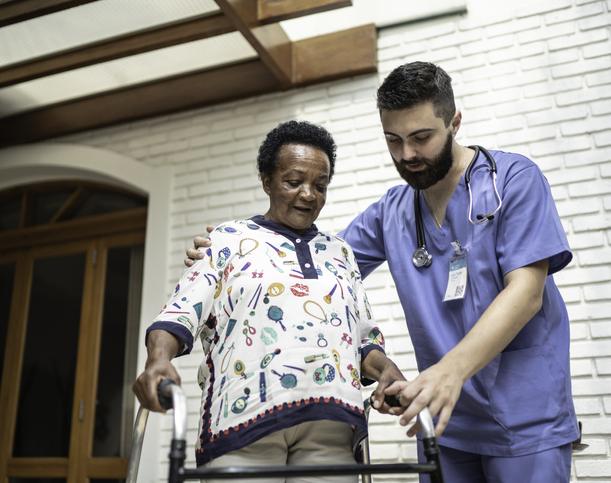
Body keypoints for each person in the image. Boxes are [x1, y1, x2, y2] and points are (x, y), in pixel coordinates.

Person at [186, 62, 579, 482]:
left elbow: (526, 292)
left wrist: (450, 372)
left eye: (421, 137)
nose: (407, 154)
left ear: (455, 122)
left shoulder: (513, 180)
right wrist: (237, 249)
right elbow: (314, 267)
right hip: (444, 422)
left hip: (525, 417)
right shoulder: (392, 212)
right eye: (394, 140)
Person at [133, 120, 403, 483]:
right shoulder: (229, 239)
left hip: (331, 424)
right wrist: (158, 360)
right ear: (267, 181)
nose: (308, 194)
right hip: (243, 422)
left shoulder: (340, 253)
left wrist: (385, 369)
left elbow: (363, 338)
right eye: (294, 181)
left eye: (320, 185)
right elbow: (180, 313)